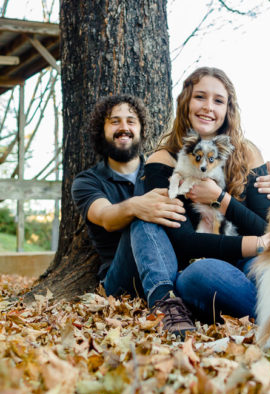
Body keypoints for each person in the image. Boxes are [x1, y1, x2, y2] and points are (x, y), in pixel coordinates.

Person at [139, 66, 270, 323]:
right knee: (200, 274)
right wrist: (260, 245)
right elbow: (183, 241)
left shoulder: (247, 154)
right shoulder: (163, 161)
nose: (208, 107)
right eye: (200, 97)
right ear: (185, 102)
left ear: (228, 110)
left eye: (218, 101)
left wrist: (220, 199)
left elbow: (266, 228)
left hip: (250, 262)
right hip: (201, 265)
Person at [71, 94, 196, 335]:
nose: (124, 128)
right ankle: (165, 305)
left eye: (131, 121)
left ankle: (174, 297)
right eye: (114, 121)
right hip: (121, 281)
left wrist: (258, 179)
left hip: (171, 266)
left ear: (140, 129)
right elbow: (106, 217)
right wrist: (136, 206)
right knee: (141, 216)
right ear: (102, 130)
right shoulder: (87, 181)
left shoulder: (161, 172)